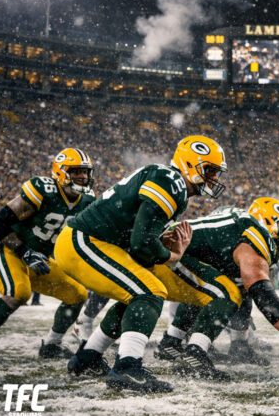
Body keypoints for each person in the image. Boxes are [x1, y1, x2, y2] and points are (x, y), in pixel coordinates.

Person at [57, 135, 221, 393]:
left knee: (136, 295)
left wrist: (160, 241)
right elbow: (141, 243)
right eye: (209, 170)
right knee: (150, 292)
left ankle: (88, 357)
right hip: (85, 240)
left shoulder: (168, 180)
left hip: (94, 241)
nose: (213, 177)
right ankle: (127, 368)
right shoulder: (172, 182)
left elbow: (141, 236)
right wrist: (171, 256)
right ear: (190, 163)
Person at [154, 198, 279, 377]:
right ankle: (194, 352)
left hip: (171, 248)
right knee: (227, 293)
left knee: (228, 290)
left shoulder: (244, 229)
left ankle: (172, 343)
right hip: (170, 251)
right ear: (274, 224)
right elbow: (264, 296)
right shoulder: (255, 235)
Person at [0, 148, 95, 368]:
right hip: (9, 249)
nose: (83, 177)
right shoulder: (43, 189)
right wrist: (24, 251)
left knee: (77, 294)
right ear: (60, 172)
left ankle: (51, 345)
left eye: (86, 172)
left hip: (38, 257)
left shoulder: (87, 199)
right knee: (18, 293)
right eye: (76, 171)